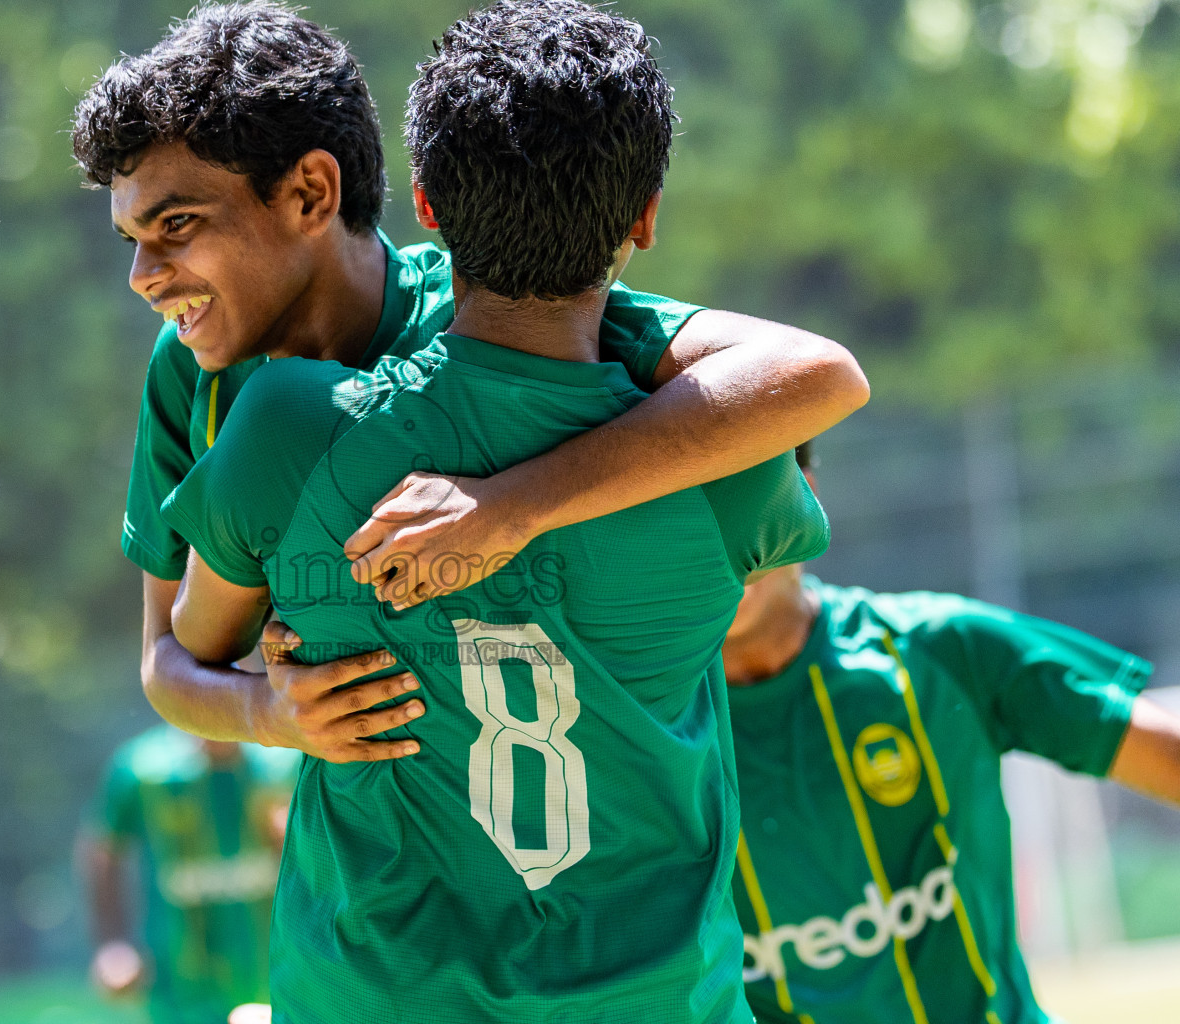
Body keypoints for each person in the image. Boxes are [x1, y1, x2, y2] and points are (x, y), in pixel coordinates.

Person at [158, 3, 828, 1020]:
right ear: (644, 219)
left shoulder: (290, 427)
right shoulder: (727, 463)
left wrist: (271, 707)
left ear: (425, 204)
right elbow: (797, 429)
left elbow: (182, 660)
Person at [69, 0, 870, 763]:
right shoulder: (191, 379)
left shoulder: (498, 309)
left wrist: (512, 507)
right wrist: (269, 714)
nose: (142, 275)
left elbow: (818, 377)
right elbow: (164, 665)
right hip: (393, 862)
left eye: (176, 225)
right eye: (132, 238)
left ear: (311, 192)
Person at [722, 443, 1180, 1024]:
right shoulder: (642, 731)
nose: (722, 535)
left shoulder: (943, 649)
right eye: (683, 509)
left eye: (740, 496)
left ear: (802, 492)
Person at [79, 724, 299, 1023]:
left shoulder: (285, 760)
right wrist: (114, 943)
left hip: (280, 972)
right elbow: (104, 850)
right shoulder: (142, 767)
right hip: (179, 983)